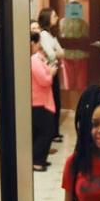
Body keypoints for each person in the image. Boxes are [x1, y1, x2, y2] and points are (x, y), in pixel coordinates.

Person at [31, 31, 58, 171]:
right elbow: (44, 80)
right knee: (46, 132)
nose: (39, 46)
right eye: (37, 43)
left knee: (43, 131)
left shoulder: (37, 58)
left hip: (43, 100)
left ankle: (40, 158)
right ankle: (36, 160)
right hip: (38, 102)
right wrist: (51, 74)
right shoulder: (33, 60)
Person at [37, 8, 66, 139]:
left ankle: (55, 132)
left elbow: (62, 52)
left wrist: (56, 53)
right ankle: (52, 133)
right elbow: (52, 54)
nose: (57, 17)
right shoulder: (43, 35)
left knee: (57, 102)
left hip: (54, 72)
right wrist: (56, 53)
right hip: (48, 73)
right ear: (47, 17)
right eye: (54, 15)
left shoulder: (51, 36)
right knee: (52, 103)